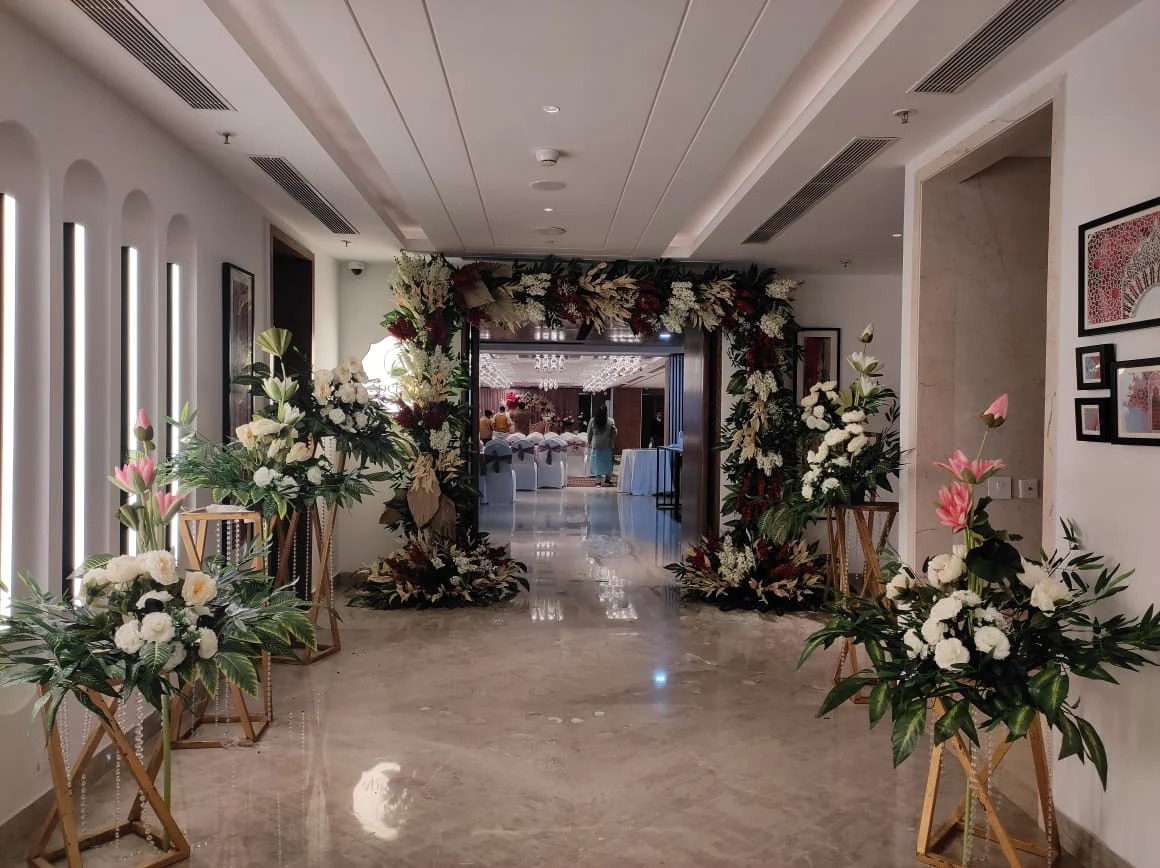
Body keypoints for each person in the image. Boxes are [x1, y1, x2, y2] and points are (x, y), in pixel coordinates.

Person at [587, 405, 618, 487]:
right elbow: (614, 435)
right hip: (607, 445)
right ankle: (608, 478)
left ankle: (598, 481)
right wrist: (614, 430)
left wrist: (589, 443)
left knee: (597, 463)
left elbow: (589, 433)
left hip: (597, 445)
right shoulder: (611, 420)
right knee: (607, 462)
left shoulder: (593, 420)